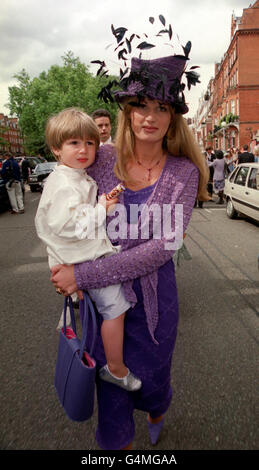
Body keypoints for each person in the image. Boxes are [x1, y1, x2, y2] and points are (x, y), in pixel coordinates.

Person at [50, 43, 209, 449]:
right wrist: (60, 267)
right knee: (113, 397)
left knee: (153, 383)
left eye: (160, 107)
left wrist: (81, 273)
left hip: (156, 306)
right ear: (127, 112)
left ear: (172, 115)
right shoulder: (100, 160)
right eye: (140, 105)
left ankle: (158, 406)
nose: (150, 117)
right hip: (104, 305)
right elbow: (61, 207)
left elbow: (163, 248)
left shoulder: (184, 173)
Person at [35, 107, 142, 392]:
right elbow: (68, 224)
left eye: (89, 143)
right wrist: (101, 209)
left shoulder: (75, 176)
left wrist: (104, 200)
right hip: (79, 258)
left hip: (78, 255)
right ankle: (116, 369)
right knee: (116, 308)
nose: (83, 150)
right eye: (74, 143)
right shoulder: (64, 183)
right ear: (56, 149)